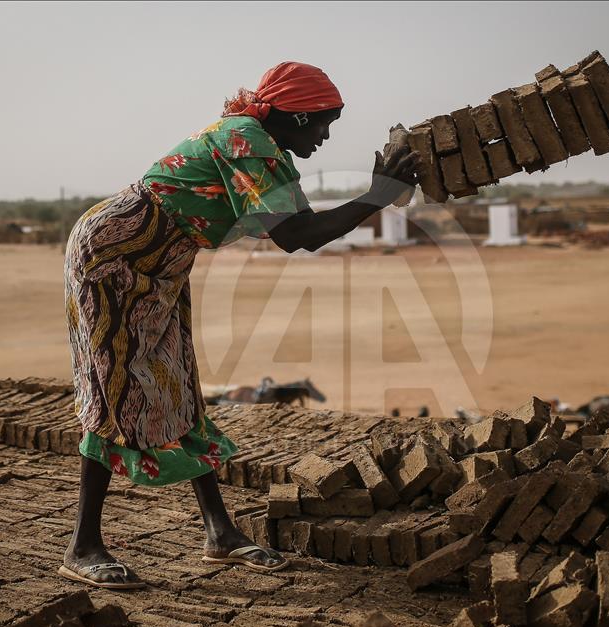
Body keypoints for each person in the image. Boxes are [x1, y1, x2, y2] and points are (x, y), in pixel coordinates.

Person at [60, 62, 418, 589]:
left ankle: (219, 533)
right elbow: (298, 237)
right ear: (296, 114)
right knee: (114, 388)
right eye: (323, 123)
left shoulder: (263, 148)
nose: (324, 136)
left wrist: (378, 193)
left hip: (160, 265)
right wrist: (378, 195)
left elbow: (303, 225)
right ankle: (83, 546)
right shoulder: (247, 141)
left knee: (180, 387)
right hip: (114, 257)